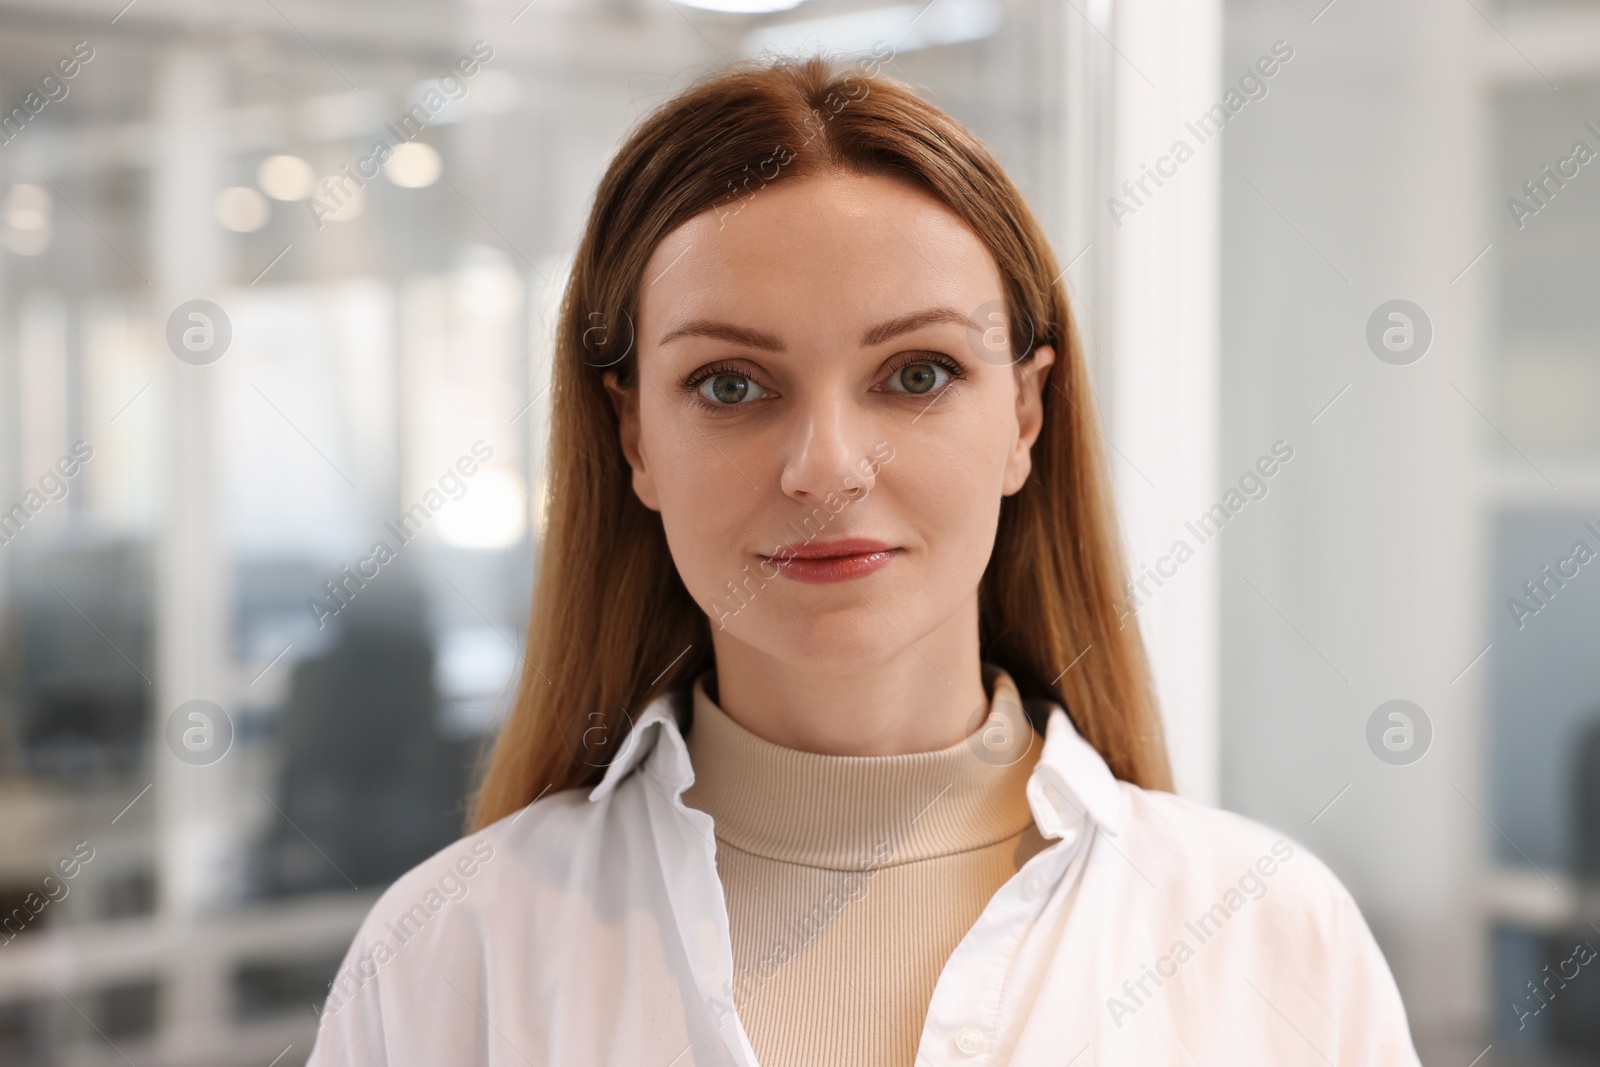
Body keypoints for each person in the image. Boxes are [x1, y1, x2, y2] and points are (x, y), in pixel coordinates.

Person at [306, 54, 1422, 1066]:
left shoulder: (1267, 937)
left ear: (1024, 417)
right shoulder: (450, 958)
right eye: (731, 384)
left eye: (918, 373)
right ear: (635, 435)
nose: (826, 468)